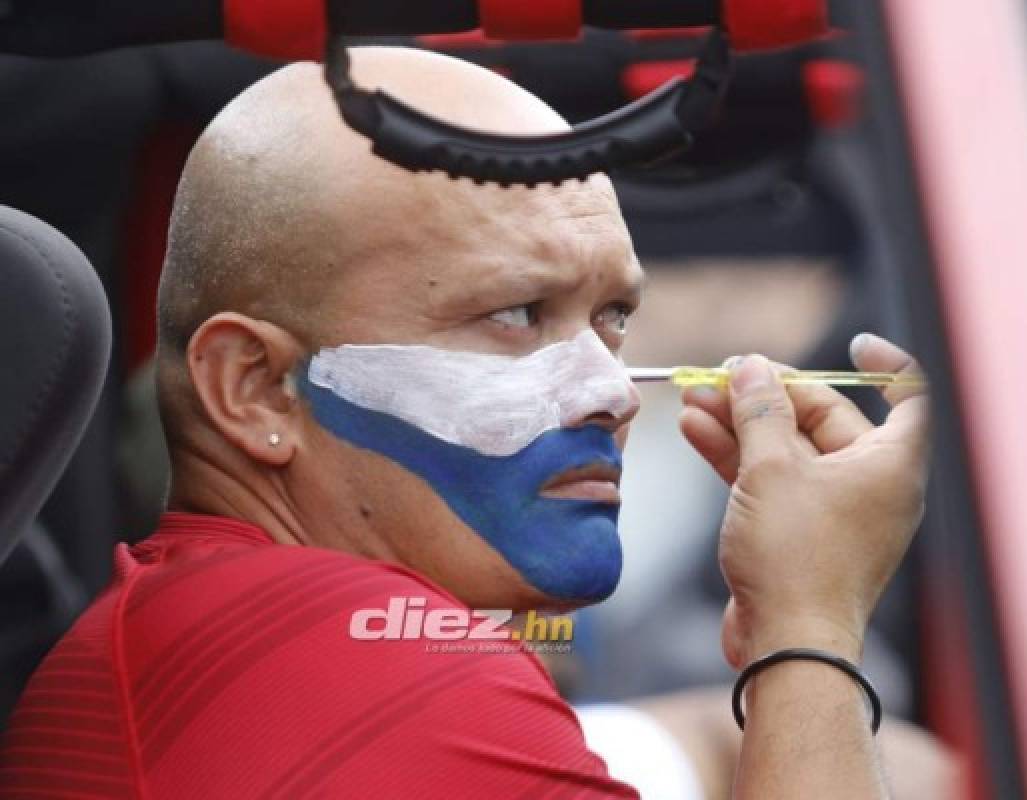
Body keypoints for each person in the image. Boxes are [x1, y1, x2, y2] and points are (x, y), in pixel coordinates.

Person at [0, 46, 929, 798]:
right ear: (256, 388)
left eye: (612, 319)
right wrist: (813, 621)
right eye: (517, 314)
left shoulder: (258, 628)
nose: (610, 391)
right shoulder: (371, 664)